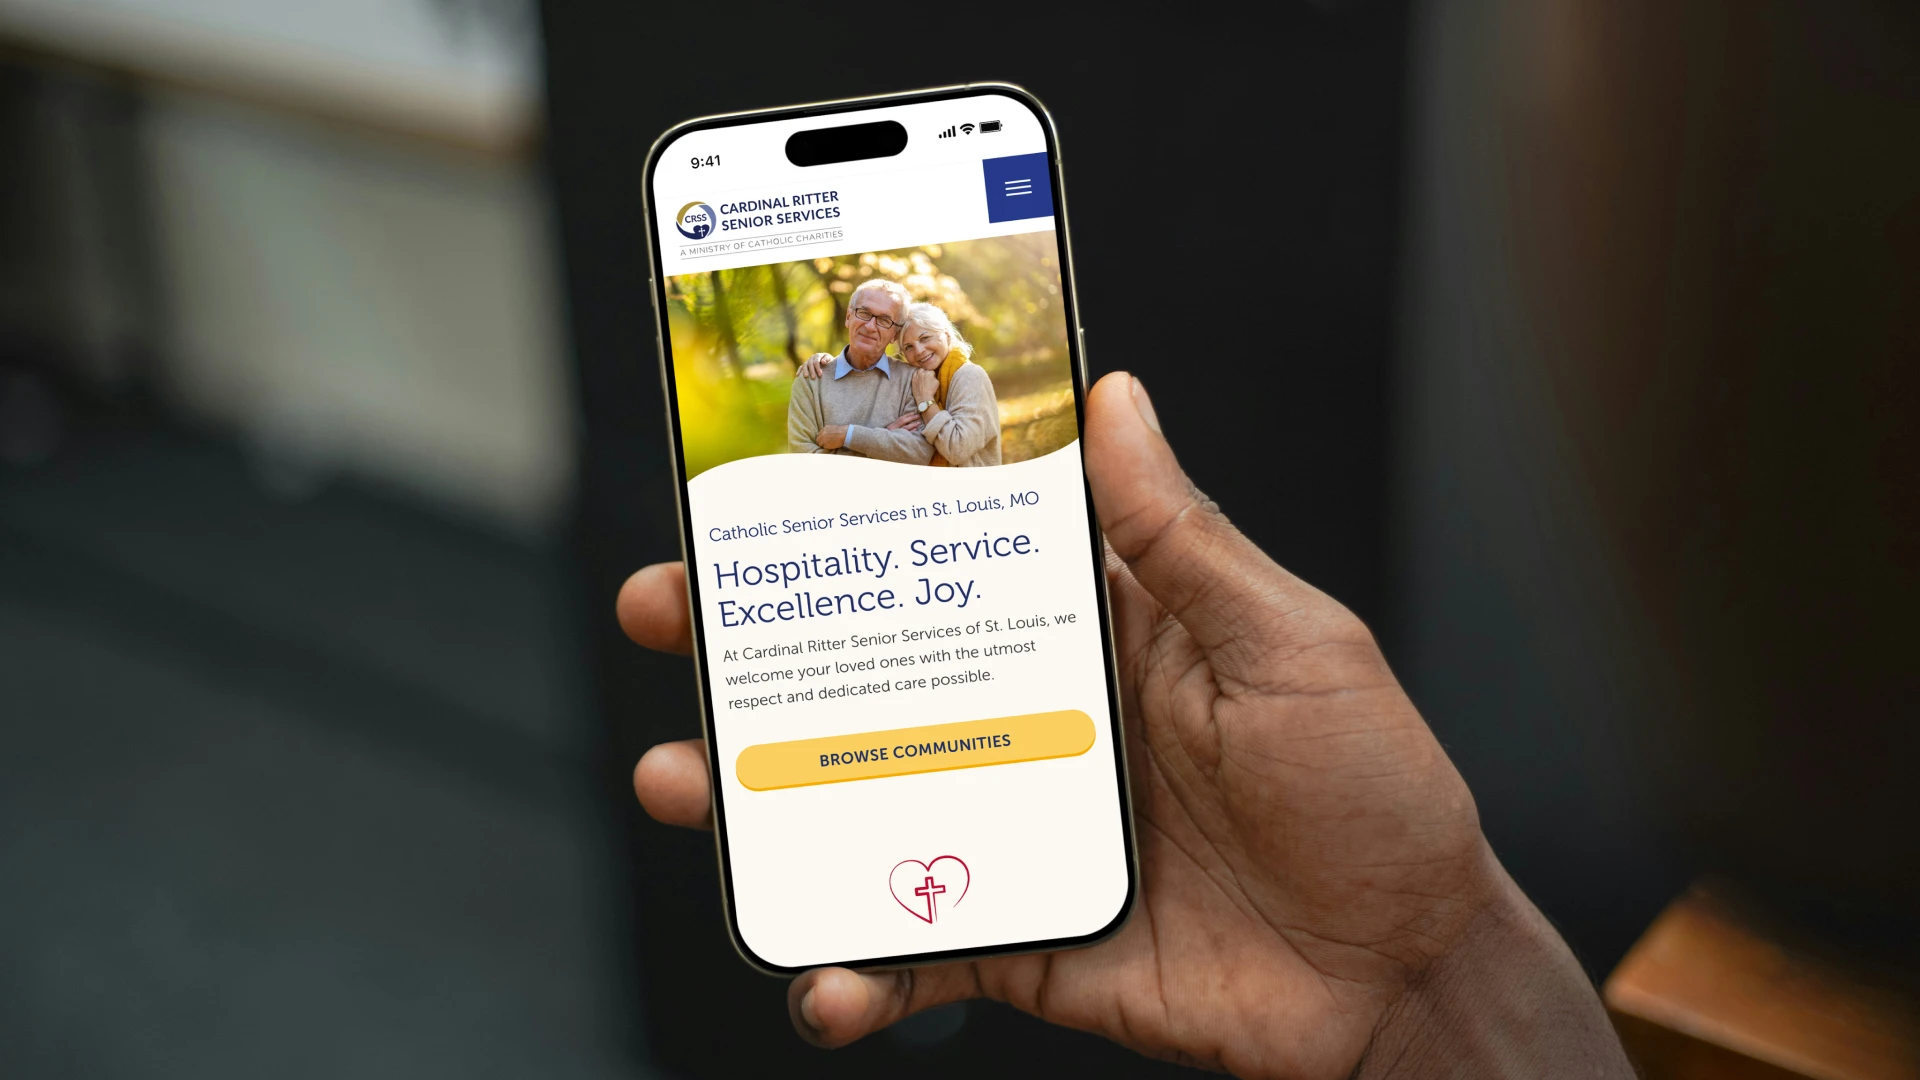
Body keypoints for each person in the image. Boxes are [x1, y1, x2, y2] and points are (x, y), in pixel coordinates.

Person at [620, 373, 1636, 1078]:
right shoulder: (817, 387)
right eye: (874, 324)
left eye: (905, 325)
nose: (894, 339)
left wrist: (1430, 970)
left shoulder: (959, 390)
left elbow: (952, 445)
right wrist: (1427, 985)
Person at [799, 302, 1002, 467]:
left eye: (925, 338)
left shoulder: (968, 376)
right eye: (909, 347)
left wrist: (926, 402)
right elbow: (906, 445)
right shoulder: (918, 379)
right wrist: (827, 363)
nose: (920, 351)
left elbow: (957, 450)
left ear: (946, 334)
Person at [786, 278, 932, 464]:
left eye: (884, 320)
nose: (870, 326)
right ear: (848, 317)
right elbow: (803, 462)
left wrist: (849, 435)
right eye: (864, 313)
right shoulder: (812, 379)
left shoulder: (912, 379)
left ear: (894, 335)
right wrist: (884, 439)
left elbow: (919, 454)